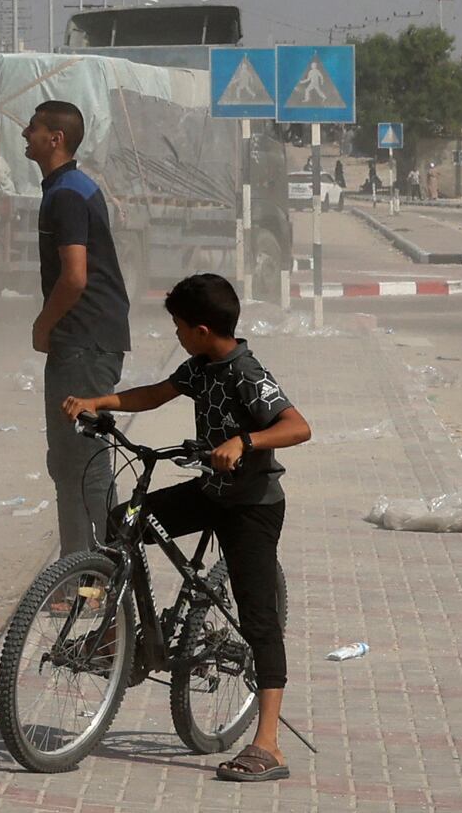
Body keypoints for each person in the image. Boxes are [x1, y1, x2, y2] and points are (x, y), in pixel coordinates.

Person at [61, 271, 313, 782]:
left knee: (258, 616)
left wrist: (244, 441)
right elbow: (155, 394)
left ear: (200, 329)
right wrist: (100, 402)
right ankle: (123, 637)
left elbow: (297, 426)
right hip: (209, 492)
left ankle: (268, 744)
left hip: (251, 505)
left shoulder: (246, 371)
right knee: (124, 520)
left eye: (177, 326)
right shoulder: (199, 367)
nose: (174, 334)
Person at [24, 97, 127, 557]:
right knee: (66, 462)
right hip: (84, 340)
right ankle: (78, 574)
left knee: (85, 461)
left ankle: (116, 569)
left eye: (33, 128)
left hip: (84, 342)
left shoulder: (66, 194)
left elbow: (75, 276)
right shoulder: (68, 187)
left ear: (55, 138)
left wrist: (43, 325)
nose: (25, 135)